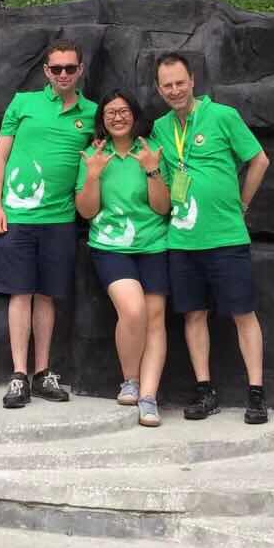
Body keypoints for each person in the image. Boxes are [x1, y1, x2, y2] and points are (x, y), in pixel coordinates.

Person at [151, 53, 272, 424]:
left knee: (242, 313)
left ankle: (256, 394)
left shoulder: (222, 116)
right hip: (183, 240)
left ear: (193, 81)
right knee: (193, 314)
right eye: (167, 85)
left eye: (179, 82)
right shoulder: (160, 128)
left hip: (225, 236)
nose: (174, 90)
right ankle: (205, 390)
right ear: (159, 89)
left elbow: (259, 160)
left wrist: (243, 204)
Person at [0, 40, 97, 408]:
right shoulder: (23, 103)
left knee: (47, 295)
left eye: (70, 67)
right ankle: (19, 374)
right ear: (46, 72)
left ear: (81, 70)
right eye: (56, 69)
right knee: (20, 293)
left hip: (60, 219)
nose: (63, 74)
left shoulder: (92, 113)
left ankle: (42, 371)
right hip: (17, 215)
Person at [74, 90, 171, 427]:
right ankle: (129, 379)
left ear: (135, 115)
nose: (117, 117)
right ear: (102, 118)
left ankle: (148, 397)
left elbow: (163, 207)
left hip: (154, 243)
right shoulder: (92, 154)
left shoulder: (151, 151)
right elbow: (86, 211)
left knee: (156, 318)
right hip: (110, 245)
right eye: (110, 111)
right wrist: (93, 175)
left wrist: (153, 171)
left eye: (124, 111)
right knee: (133, 310)